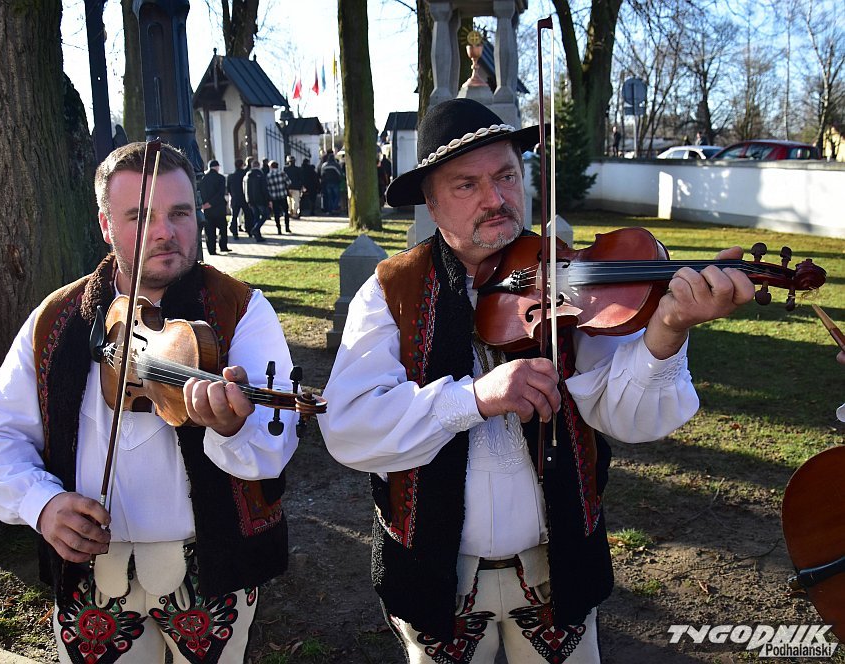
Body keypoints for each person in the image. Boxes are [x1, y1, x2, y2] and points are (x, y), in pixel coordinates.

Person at [318, 98, 754, 663]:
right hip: (436, 577)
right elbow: (348, 426)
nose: (495, 198)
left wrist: (668, 329)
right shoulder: (390, 290)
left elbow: (627, 415)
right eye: (467, 185)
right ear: (431, 201)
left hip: (554, 573)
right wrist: (474, 399)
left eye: (506, 176)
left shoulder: (567, 278)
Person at [0, 142, 298, 663]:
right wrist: (41, 504)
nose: (165, 231)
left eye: (179, 213)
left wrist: (232, 428)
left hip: (206, 570)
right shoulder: (57, 319)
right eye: (140, 217)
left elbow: (274, 445)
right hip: (89, 570)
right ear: (105, 225)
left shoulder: (239, 309)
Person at [198, 159, 230, 254]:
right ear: (217, 167)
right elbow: (220, 193)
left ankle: (211, 250)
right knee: (222, 228)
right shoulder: (221, 178)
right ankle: (223, 246)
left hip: (207, 209)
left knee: (209, 230)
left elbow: (200, 192)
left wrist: (204, 204)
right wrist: (211, 203)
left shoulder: (203, 179)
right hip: (219, 208)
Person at [244, 157, 270, 242]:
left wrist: (247, 199)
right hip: (260, 199)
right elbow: (264, 189)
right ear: (258, 166)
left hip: (251, 200)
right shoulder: (260, 175)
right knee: (265, 215)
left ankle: (257, 236)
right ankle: (256, 229)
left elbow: (245, 188)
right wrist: (268, 199)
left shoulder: (247, 175)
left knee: (256, 217)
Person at [266, 160, 291, 234]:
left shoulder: (268, 176)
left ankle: (279, 229)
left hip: (274, 197)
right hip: (283, 195)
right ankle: (287, 227)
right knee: (285, 211)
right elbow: (289, 182)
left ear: (270, 167)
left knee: (276, 213)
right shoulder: (282, 173)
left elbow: (267, 187)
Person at [227, 158, 248, 239]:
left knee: (235, 216)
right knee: (247, 214)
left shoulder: (231, 176)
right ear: (242, 165)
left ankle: (235, 233)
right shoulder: (245, 174)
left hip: (235, 197)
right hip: (244, 197)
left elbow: (228, 188)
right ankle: (249, 230)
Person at [284, 155, 304, 219]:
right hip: (296, 187)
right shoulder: (298, 169)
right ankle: (294, 213)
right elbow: (301, 178)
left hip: (288, 187)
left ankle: (290, 212)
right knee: (295, 201)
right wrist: (301, 186)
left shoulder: (285, 169)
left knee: (289, 201)